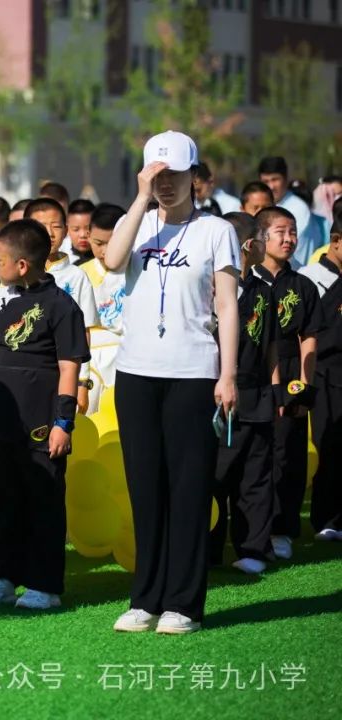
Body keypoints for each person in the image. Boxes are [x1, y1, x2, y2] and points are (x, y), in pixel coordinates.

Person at [103, 130, 240, 635]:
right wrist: (140, 199)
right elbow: (112, 261)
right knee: (146, 489)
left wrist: (227, 373)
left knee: (187, 491)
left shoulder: (216, 231)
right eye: (156, 176)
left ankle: (184, 603)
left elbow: (227, 305)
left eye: (174, 175)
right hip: (136, 372)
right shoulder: (135, 221)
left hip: (193, 372)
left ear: (195, 176)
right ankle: (146, 598)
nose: (165, 185)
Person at [0, 218, 88, 610]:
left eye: (0, 258)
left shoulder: (62, 306)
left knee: (43, 501)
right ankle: (1, 579)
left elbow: (69, 367)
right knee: (1, 499)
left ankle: (44, 584)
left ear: (22, 265)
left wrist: (62, 423)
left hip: (41, 423)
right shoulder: (0, 299)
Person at [250, 206, 322, 560]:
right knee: (255, 455)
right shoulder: (246, 282)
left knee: (289, 452)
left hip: (292, 372)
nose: (290, 239)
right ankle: (251, 530)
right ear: (261, 236)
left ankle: (283, 528)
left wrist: (305, 384)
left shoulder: (302, 285)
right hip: (253, 373)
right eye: (281, 231)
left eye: (293, 232)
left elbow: (309, 337)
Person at [210, 212, 280, 576]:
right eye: (261, 238)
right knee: (214, 476)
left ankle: (252, 548)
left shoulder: (264, 291)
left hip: (257, 395)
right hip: (214, 395)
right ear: (249, 245)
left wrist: (276, 391)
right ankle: (207, 549)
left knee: (255, 476)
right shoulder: (207, 289)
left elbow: (270, 346)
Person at [25, 198, 98, 413]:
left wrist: (82, 382)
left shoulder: (77, 277)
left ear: (66, 230)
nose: (49, 233)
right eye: (40, 227)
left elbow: (83, 333)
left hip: (64, 374)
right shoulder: (16, 273)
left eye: (56, 226)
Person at [299, 210, 342, 540]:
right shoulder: (310, 277)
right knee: (329, 444)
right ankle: (327, 518)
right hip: (324, 374)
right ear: (336, 242)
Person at [82, 203, 127, 414]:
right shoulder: (78, 275)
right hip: (89, 358)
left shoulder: (137, 272)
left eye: (112, 243)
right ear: (88, 235)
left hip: (126, 356)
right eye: (98, 243)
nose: (105, 251)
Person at [259, 156, 325, 265]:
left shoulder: (299, 208)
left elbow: (299, 252)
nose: (271, 186)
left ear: (285, 179)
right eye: (266, 181)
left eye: (275, 179)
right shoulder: (260, 205)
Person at [67, 199, 96, 264]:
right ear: (67, 229)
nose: (83, 235)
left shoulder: (107, 259)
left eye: (88, 228)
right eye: (76, 229)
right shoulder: (60, 259)